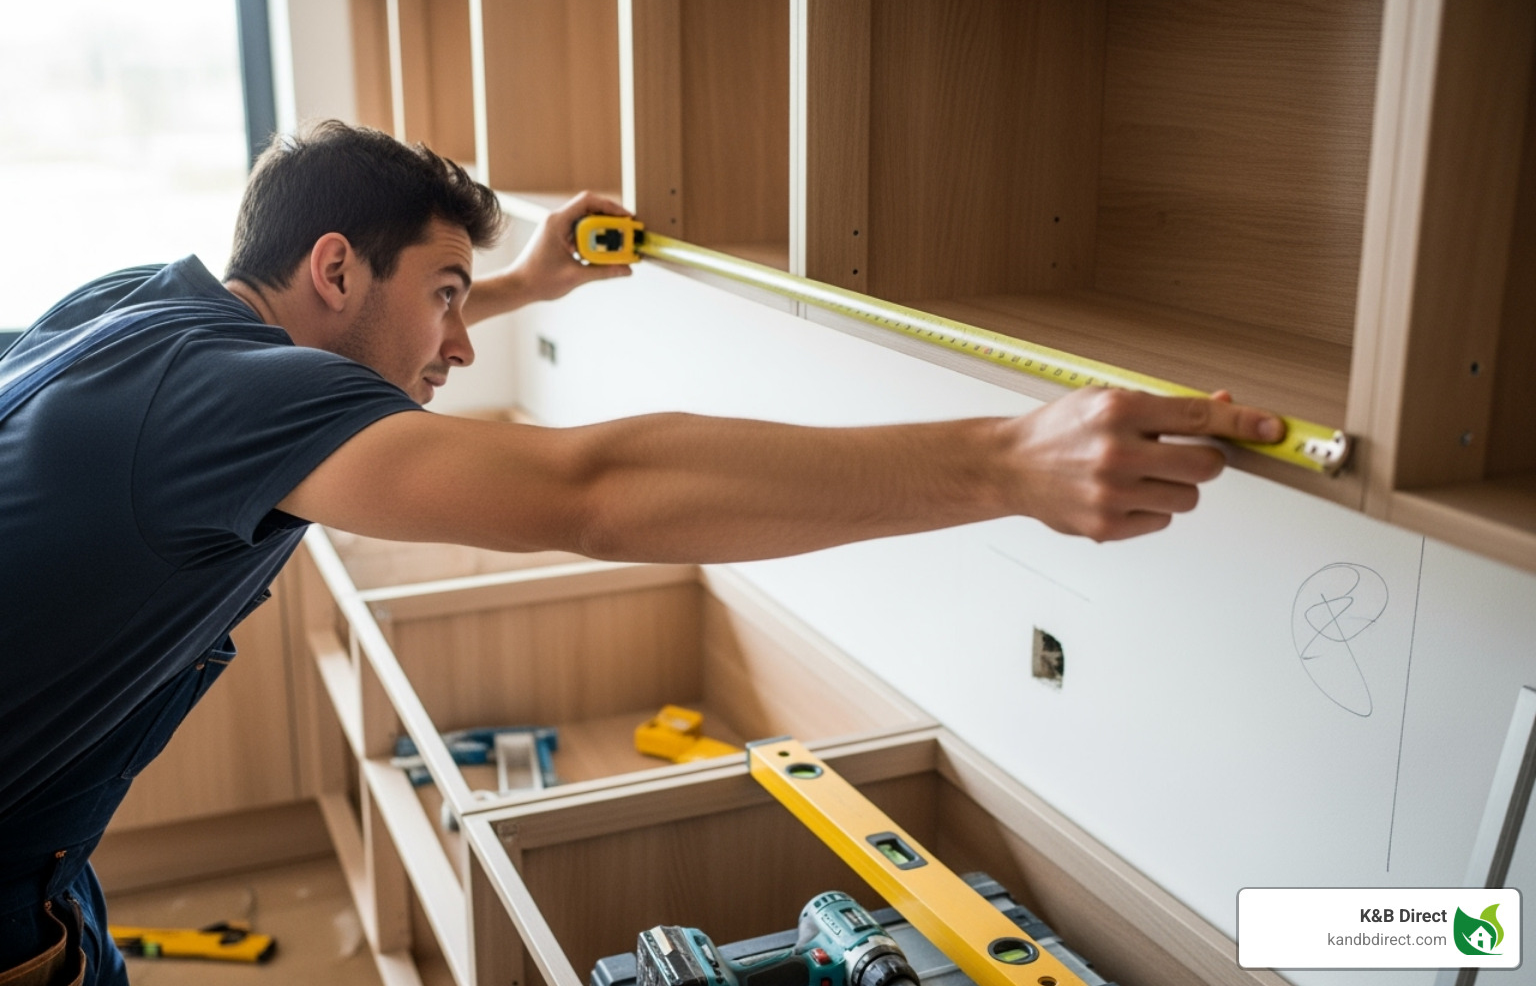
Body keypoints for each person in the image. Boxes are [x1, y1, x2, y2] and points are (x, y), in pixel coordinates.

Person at [0, 120, 1283, 985]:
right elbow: (593, 489)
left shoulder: (139, 307)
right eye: (446, 294)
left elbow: (348, 342)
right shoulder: (243, 401)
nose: (459, 345)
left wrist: (517, 283)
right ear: (334, 266)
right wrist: (1008, 462)